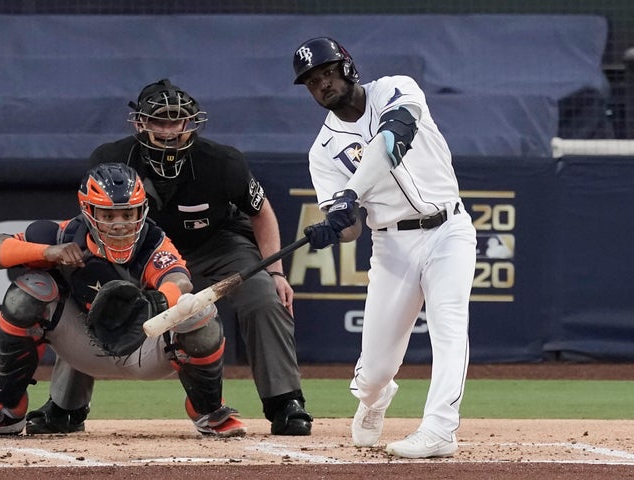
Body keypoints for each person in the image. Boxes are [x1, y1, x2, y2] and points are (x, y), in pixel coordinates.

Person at [32, 78, 312, 436]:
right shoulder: (110, 158)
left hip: (217, 245)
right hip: (140, 249)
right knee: (98, 296)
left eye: (175, 121)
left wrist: (276, 273)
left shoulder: (223, 162)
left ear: (189, 122)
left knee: (264, 296)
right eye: (158, 121)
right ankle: (65, 406)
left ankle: (285, 402)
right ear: (141, 123)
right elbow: (93, 217)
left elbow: (261, 212)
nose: (168, 130)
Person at [0, 163, 246, 438]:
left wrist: (157, 302)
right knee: (28, 290)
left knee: (198, 310)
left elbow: (179, 280)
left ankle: (209, 410)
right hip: (85, 346)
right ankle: (7, 409)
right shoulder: (64, 233)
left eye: (128, 214)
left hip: (144, 346)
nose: (120, 225)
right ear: (88, 212)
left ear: (141, 212)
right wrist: (47, 253)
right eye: (109, 216)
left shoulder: (153, 240)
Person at [293, 37, 477, 458]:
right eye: (311, 81)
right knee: (374, 371)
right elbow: (351, 229)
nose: (322, 84)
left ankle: (440, 428)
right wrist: (333, 228)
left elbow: (392, 142)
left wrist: (350, 193)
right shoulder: (323, 151)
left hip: (448, 229)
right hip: (392, 245)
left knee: (449, 327)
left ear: (347, 67)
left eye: (326, 72)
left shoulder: (397, 88)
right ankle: (374, 398)